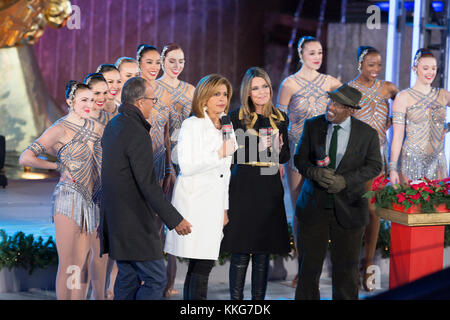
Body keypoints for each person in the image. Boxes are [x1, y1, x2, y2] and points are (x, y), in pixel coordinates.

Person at [100, 76, 192, 300]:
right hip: (135, 221)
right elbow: (148, 183)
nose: (154, 104)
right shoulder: (136, 132)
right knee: (155, 279)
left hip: (116, 218)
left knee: (128, 278)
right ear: (140, 102)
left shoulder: (113, 125)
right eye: (153, 100)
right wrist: (175, 219)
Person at [19, 81, 107, 300]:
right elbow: (25, 157)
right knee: (69, 263)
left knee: (82, 262)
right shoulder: (59, 128)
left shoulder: (97, 127)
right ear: (70, 102)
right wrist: (57, 166)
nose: (89, 105)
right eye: (83, 100)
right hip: (68, 198)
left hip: (92, 201)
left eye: (91, 100)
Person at [294, 84, 382, 300]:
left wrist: (345, 181)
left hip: (350, 210)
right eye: (331, 101)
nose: (330, 107)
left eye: (338, 105)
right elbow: (299, 159)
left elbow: (374, 166)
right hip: (314, 207)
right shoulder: (313, 125)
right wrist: (314, 172)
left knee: (346, 274)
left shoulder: (367, 134)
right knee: (308, 271)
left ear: (351, 110)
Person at [164, 74, 237, 300]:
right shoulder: (192, 124)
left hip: (214, 204)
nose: (222, 99)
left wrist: (224, 208)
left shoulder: (226, 124)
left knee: (202, 265)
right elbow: (187, 165)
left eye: (224, 94)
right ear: (204, 96)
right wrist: (218, 153)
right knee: (201, 266)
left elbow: (225, 172)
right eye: (216, 94)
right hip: (195, 203)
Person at [220, 67, 291, 300]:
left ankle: (258, 303)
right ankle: (236, 302)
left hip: (269, 187)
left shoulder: (281, 118)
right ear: (247, 92)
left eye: (265, 86)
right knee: (241, 251)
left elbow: (284, 156)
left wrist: (278, 151)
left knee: (262, 252)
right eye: (255, 88)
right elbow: (229, 156)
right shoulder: (235, 118)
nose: (261, 92)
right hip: (243, 185)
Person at [276, 35, 341, 287]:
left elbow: (348, 109)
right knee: (300, 212)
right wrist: (276, 159)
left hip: (323, 154)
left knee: (325, 211)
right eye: (312, 52)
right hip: (294, 153)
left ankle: (327, 267)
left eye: (320, 52)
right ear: (301, 54)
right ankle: (303, 269)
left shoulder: (332, 83)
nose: (317, 57)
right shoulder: (289, 84)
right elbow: (278, 124)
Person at [348, 46, 399, 292]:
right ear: (360, 64)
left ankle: (367, 263)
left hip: (379, 156)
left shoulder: (388, 88)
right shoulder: (349, 89)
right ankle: (351, 265)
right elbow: (337, 120)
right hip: (357, 159)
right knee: (357, 210)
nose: (376, 70)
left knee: (374, 210)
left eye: (379, 64)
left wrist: (390, 125)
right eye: (371, 65)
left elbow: (405, 110)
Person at [137, 44, 177, 297]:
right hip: (137, 165)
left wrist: (171, 168)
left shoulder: (166, 95)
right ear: (138, 62)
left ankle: (158, 280)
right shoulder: (131, 91)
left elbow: (167, 134)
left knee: (158, 225)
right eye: (149, 62)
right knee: (138, 221)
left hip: (161, 166)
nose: (154, 67)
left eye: (156, 63)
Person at [156, 42, 195, 297]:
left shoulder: (191, 90)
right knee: (158, 219)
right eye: (172, 61)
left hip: (186, 158)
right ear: (162, 61)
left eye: (181, 61)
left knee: (175, 218)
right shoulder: (153, 88)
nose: (177, 66)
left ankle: (170, 281)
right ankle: (154, 278)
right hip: (159, 156)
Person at [390, 48, 450, 184]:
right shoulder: (403, 97)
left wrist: (446, 128)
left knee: (438, 204)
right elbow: (398, 136)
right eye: (426, 68)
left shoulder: (444, 95)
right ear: (415, 68)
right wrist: (392, 167)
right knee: (410, 204)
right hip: (411, 161)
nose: (430, 72)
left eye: (433, 68)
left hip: (437, 160)